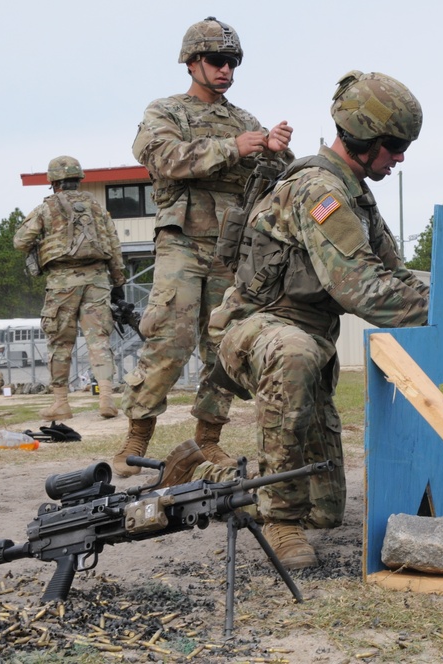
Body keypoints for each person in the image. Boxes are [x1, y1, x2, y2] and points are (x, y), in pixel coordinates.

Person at [158, 70, 429, 569]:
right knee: (295, 352)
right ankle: (278, 520)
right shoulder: (318, 192)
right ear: (365, 137)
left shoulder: (357, 198)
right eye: (394, 145)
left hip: (306, 340)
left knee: (325, 513)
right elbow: (364, 290)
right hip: (258, 331)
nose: (400, 157)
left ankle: (200, 475)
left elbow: (395, 274)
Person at [113, 16, 294, 477]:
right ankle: (136, 437)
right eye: (217, 61)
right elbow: (163, 157)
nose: (226, 70)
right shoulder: (166, 112)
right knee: (169, 340)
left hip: (231, 250)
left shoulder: (245, 120)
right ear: (192, 62)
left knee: (226, 347)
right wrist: (233, 146)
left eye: (232, 62)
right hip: (182, 243)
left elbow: (274, 182)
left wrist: (274, 151)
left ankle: (207, 439)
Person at [14, 155, 127, 420]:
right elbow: (114, 244)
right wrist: (118, 282)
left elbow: (21, 241)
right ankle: (107, 399)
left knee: (60, 343)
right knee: (98, 340)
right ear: (78, 179)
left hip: (62, 282)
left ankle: (61, 404)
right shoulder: (97, 207)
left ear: (53, 182)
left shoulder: (47, 208)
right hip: (98, 280)